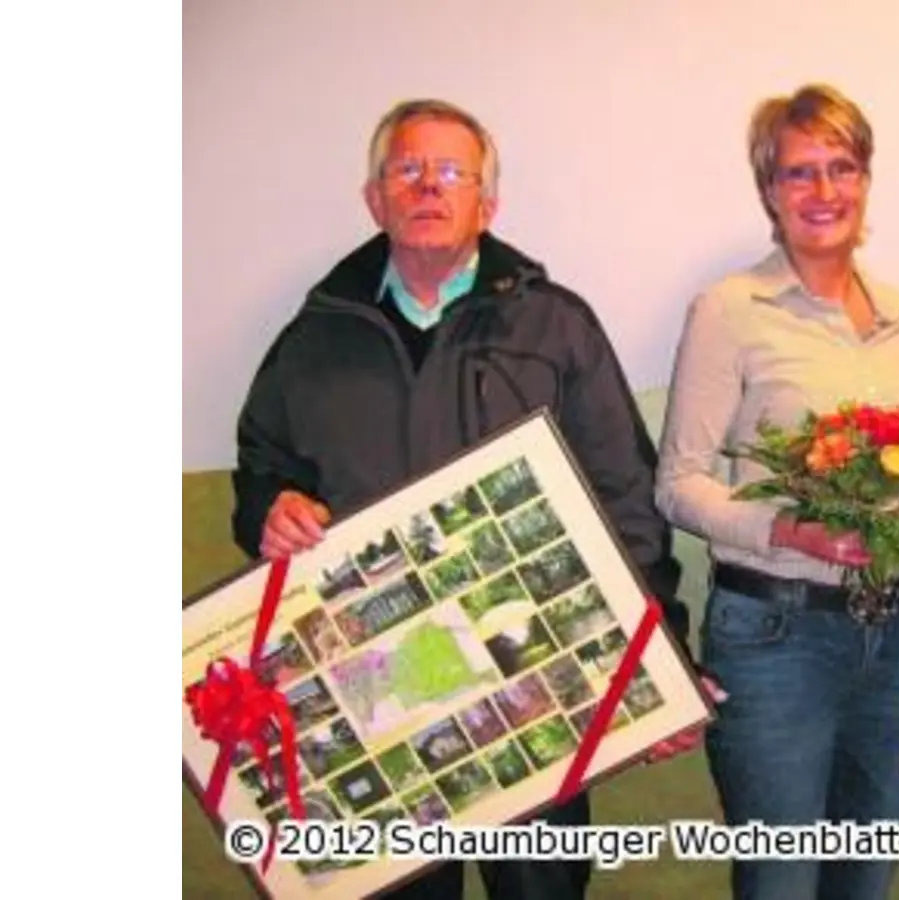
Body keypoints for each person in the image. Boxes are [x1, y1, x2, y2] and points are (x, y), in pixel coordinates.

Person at [229, 98, 698, 900]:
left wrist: (661, 658)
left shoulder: (557, 326)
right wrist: (267, 508)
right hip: (383, 692)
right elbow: (261, 471)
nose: (428, 187)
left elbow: (626, 496)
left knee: (540, 892)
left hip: (535, 674)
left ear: (488, 201)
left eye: (452, 171)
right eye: (407, 169)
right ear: (374, 197)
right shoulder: (312, 339)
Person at [655, 84, 899, 900]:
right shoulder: (730, 310)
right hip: (778, 640)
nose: (823, 192)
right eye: (798, 173)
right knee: (779, 883)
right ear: (768, 193)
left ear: (866, 178)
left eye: (841, 167)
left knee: (866, 879)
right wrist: (789, 532)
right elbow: (678, 486)